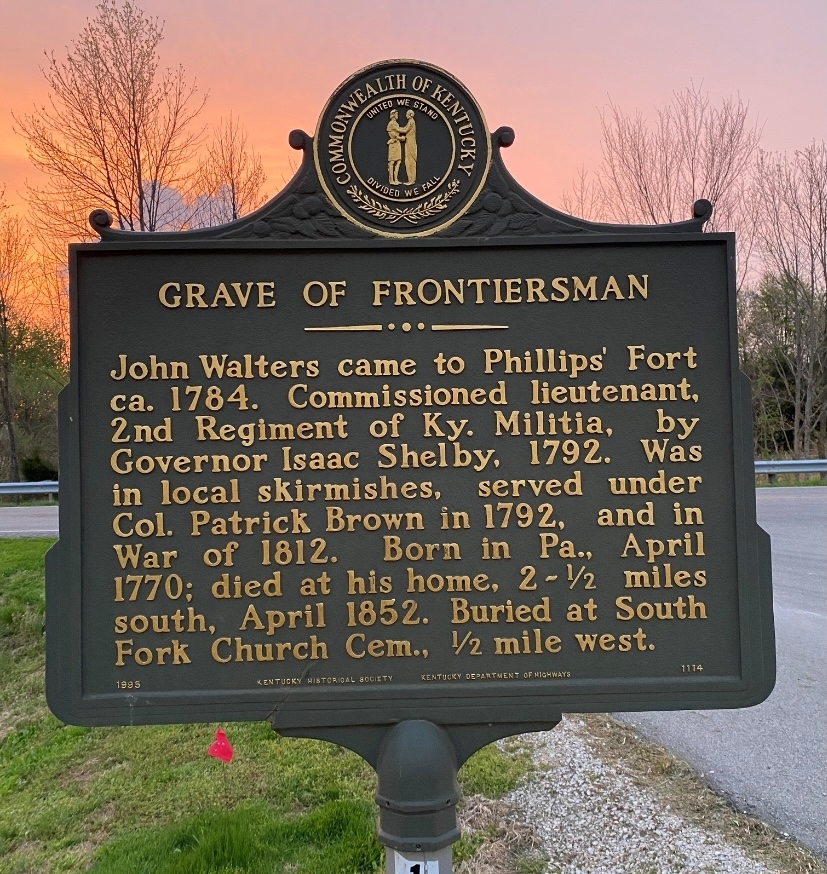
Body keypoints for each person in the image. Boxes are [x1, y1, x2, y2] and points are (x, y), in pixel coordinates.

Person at [386, 110, 403, 185]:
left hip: (397, 144)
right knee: (392, 162)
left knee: (398, 161)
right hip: (393, 143)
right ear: (393, 115)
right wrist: (400, 138)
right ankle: (391, 180)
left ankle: (396, 179)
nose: (397, 115)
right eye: (396, 114)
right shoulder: (391, 124)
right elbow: (392, 133)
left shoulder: (396, 123)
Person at [401, 109, 417, 185]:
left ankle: (412, 180)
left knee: (410, 161)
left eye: (407, 114)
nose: (406, 115)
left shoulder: (411, 121)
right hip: (408, 142)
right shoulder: (409, 122)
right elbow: (404, 128)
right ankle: (410, 179)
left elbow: (405, 130)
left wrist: (395, 128)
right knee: (407, 160)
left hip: (411, 143)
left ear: (410, 115)